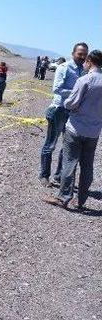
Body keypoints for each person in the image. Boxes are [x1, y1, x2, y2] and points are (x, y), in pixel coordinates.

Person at [43, 50, 102, 210]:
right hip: (94, 131)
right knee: (88, 165)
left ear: (89, 61)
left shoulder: (84, 80)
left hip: (76, 128)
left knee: (70, 163)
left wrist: (71, 102)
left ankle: (64, 198)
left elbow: (71, 104)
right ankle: (81, 200)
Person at [38, 42, 88, 187]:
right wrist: (76, 93)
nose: (82, 57)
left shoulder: (85, 71)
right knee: (50, 145)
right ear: (73, 53)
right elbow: (57, 89)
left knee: (67, 147)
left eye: (85, 54)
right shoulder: (64, 67)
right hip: (59, 110)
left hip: (73, 112)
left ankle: (58, 176)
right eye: (80, 54)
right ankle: (44, 175)